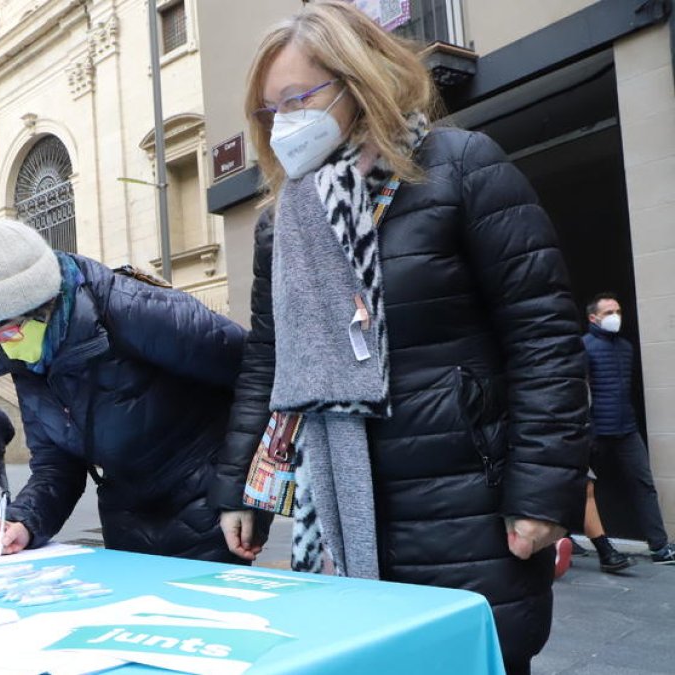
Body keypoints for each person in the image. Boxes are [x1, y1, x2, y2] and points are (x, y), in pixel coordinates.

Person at [213, 4, 589, 673]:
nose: (285, 122)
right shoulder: (282, 224)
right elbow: (269, 363)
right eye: (270, 111)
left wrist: (541, 493)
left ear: (359, 81)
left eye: (298, 98)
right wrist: (246, 491)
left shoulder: (462, 167)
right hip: (334, 502)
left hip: (462, 505)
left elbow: (544, 339)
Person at [0, 218, 249, 563]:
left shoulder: (131, 308)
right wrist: (24, 521)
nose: (1, 347)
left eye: (4, 331)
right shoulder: (27, 359)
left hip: (210, 501)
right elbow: (55, 464)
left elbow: (254, 372)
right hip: (125, 511)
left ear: (39, 304)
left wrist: (237, 491)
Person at [583, 292, 675, 564]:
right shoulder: (583, 346)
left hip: (626, 429)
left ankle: (659, 547)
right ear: (593, 318)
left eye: (618, 312)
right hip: (595, 432)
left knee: (644, 484)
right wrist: (587, 429)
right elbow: (579, 390)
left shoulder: (625, 347)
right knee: (577, 487)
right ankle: (566, 540)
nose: (615, 317)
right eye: (609, 313)